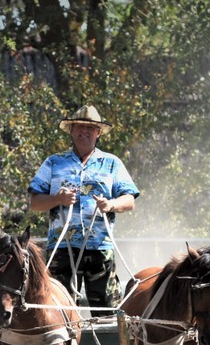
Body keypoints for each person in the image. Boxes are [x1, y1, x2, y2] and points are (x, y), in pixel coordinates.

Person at [29, 103, 139, 309]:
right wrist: (57, 199)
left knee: (108, 308)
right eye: (79, 127)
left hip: (99, 247)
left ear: (98, 132)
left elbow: (129, 200)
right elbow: (35, 203)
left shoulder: (112, 163)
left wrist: (110, 204)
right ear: (71, 130)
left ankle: (108, 342)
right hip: (62, 248)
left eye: (90, 128)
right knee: (59, 308)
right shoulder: (53, 163)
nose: (84, 132)